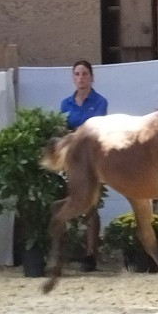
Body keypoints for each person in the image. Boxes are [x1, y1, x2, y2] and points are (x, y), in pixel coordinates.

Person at [60, 60, 108, 271]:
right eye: (77, 74)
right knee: (67, 202)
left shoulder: (100, 102)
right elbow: (63, 129)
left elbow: (96, 129)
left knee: (91, 205)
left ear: (91, 77)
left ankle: (91, 253)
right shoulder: (65, 104)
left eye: (85, 74)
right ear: (73, 78)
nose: (81, 78)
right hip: (72, 158)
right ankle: (66, 251)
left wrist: (76, 133)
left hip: (92, 159)